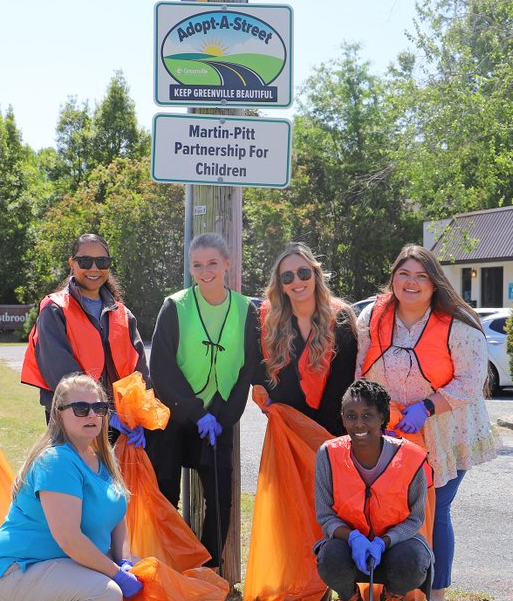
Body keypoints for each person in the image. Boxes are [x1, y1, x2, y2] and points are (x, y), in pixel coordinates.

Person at [356, 244, 499, 601]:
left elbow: (471, 381)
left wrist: (427, 407)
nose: (411, 282)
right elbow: (359, 369)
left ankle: (435, 593)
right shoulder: (372, 316)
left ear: (435, 283)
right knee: (392, 510)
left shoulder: (458, 323)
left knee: (437, 507)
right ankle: (393, 587)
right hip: (392, 430)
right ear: (393, 278)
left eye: (421, 276)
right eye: (404, 274)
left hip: (445, 431)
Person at [0, 374, 141, 601]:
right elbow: (70, 539)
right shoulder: (56, 461)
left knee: (140, 574)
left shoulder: (102, 458)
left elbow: (117, 517)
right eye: (81, 408)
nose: (92, 414)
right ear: (59, 414)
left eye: (99, 407)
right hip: (16, 574)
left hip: (56, 569)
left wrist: (123, 561)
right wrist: (115, 575)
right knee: (107, 594)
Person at [149, 232, 261, 572]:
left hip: (218, 416)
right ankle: (167, 564)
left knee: (220, 492)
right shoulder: (174, 305)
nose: (205, 271)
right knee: (165, 488)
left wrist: (221, 416)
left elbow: (247, 369)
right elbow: (162, 368)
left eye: (213, 263)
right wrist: (194, 412)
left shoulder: (246, 310)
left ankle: (210, 568)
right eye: (197, 265)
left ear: (227, 264)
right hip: (176, 413)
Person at [314, 379, 432, 601]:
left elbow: (415, 520)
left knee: (413, 559)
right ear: (342, 419)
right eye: (351, 416)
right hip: (349, 546)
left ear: (382, 418)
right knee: (329, 556)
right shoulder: (327, 454)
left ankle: (394, 598)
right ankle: (349, 600)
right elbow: (325, 516)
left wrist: (384, 542)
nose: (358, 424)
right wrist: (353, 537)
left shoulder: (411, 458)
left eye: (367, 416)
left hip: (396, 547)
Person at [21, 234, 149, 447]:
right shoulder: (55, 309)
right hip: (73, 423)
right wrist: (104, 413)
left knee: (114, 481)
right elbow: (62, 375)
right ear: (72, 264)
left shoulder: (123, 314)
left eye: (102, 262)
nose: (94, 268)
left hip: (120, 429)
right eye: (85, 261)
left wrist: (140, 415)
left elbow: (140, 371)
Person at [256, 242, 357, 436]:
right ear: (281, 285)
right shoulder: (269, 320)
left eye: (303, 272)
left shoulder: (340, 317)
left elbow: (344, 382)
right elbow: (259, 369)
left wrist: (314, 432)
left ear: (315, 275)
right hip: (287, 430)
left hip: (330, 431)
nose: (296, 281)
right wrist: (277, 407)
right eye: (287, 276)